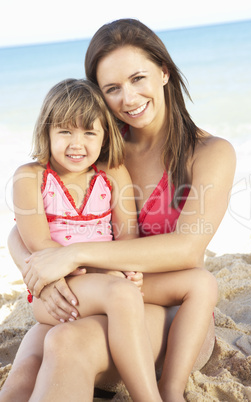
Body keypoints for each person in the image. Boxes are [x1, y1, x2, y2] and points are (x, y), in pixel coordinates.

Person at [1, 18, 236, 402]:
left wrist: (71, 256)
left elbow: (187, 250)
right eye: (112, 88)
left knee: (66, 342)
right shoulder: (97, 150)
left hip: (170, 309)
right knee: (27, 362)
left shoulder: (210, 153)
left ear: (163, 71)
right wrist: (38, 271)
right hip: (94, 291)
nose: (128, 98)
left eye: (138, 78)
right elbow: (28, 222)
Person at [4, 77, 164, 401]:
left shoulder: (112, 173)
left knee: (22, 378)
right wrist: (106, 275)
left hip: (91, 294)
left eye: (89, 132)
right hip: (57, 293)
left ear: (105, 135)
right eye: (65, 131)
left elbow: (127, 237)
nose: (77, 144)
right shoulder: (31, 176)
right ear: (46, 132)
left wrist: (127, 269)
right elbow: (40, 245)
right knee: (121, 294)